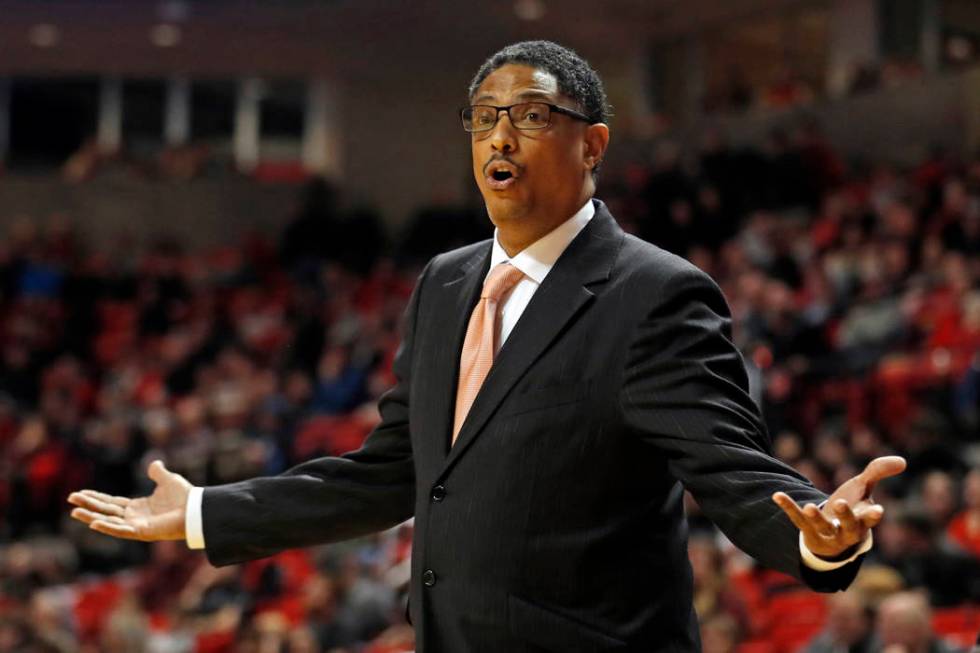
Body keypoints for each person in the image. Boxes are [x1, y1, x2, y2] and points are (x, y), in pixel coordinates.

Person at [68, 40, 905, 652]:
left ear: (593, 143)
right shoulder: (443, 284)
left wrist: (819, 537)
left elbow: (732, 472)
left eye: (533, 117)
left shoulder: (656, 293)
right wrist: (206, 512)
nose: (501, 138)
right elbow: (396, 471)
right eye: (485, 119)